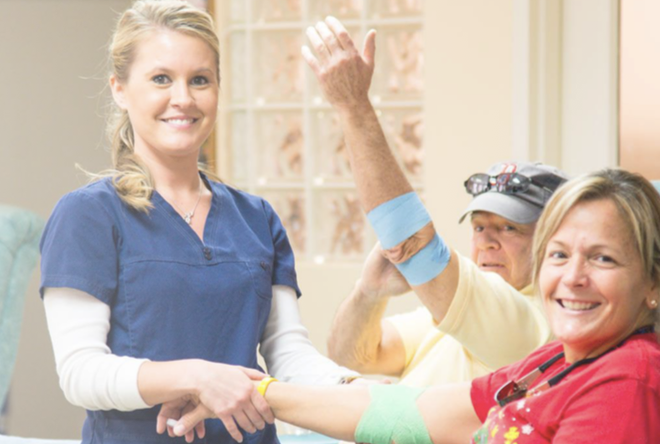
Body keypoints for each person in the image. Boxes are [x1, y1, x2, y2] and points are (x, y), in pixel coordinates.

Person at [39, 2, 357, 443]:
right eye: (161, 79)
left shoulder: (257, 218)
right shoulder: (88, 216)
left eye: (200, 80)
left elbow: (288, 354)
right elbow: (81, 373)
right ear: (119, 89)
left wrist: (354, 389)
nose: (183, 98)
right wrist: (195, 377)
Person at [172, 168, 660, 443]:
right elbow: (409, 411)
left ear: (652, 283)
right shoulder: (555, 360)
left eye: (603, 258)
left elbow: (417, 248)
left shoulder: (625, 379)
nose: (573, 277)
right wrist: (254, 390)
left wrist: (353, 104)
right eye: (560, 254)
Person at [302, 17, 568, 385]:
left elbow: (412, 241)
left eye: (509, 228)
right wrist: (368, 294)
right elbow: (351, 357)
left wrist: (353, 105)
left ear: (553, 243)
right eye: (479, 227)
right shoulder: (448, 316)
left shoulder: (534, 323)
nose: (487, 242)